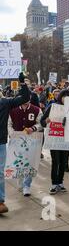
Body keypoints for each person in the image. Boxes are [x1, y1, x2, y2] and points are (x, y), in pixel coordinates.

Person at [0, 73, 30, 214]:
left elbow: (25, 98)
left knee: (0, 173)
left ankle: (0, 202)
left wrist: (23, 84)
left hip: (0, 143)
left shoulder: (4, 102)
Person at [40, 89, 69, 194]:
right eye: (64, 96)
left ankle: (60, 182)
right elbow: (42, 121)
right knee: (56, 162)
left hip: (67, 139)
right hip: (55, 139)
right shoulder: (53, 107)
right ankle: (54, 184)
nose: (66, 99)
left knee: (64, 162)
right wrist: (46, 121)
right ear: (60, 97)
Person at [8, 99, 43, 197]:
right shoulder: (13, 110)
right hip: (17, 140)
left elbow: (41, 123)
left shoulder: (36, 109)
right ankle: (20, 180)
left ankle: (27, 185)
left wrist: (33, 129)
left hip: (32, 140)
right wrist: (12, 134)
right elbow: (9, 124)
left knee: (30, 162)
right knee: (19, 161)